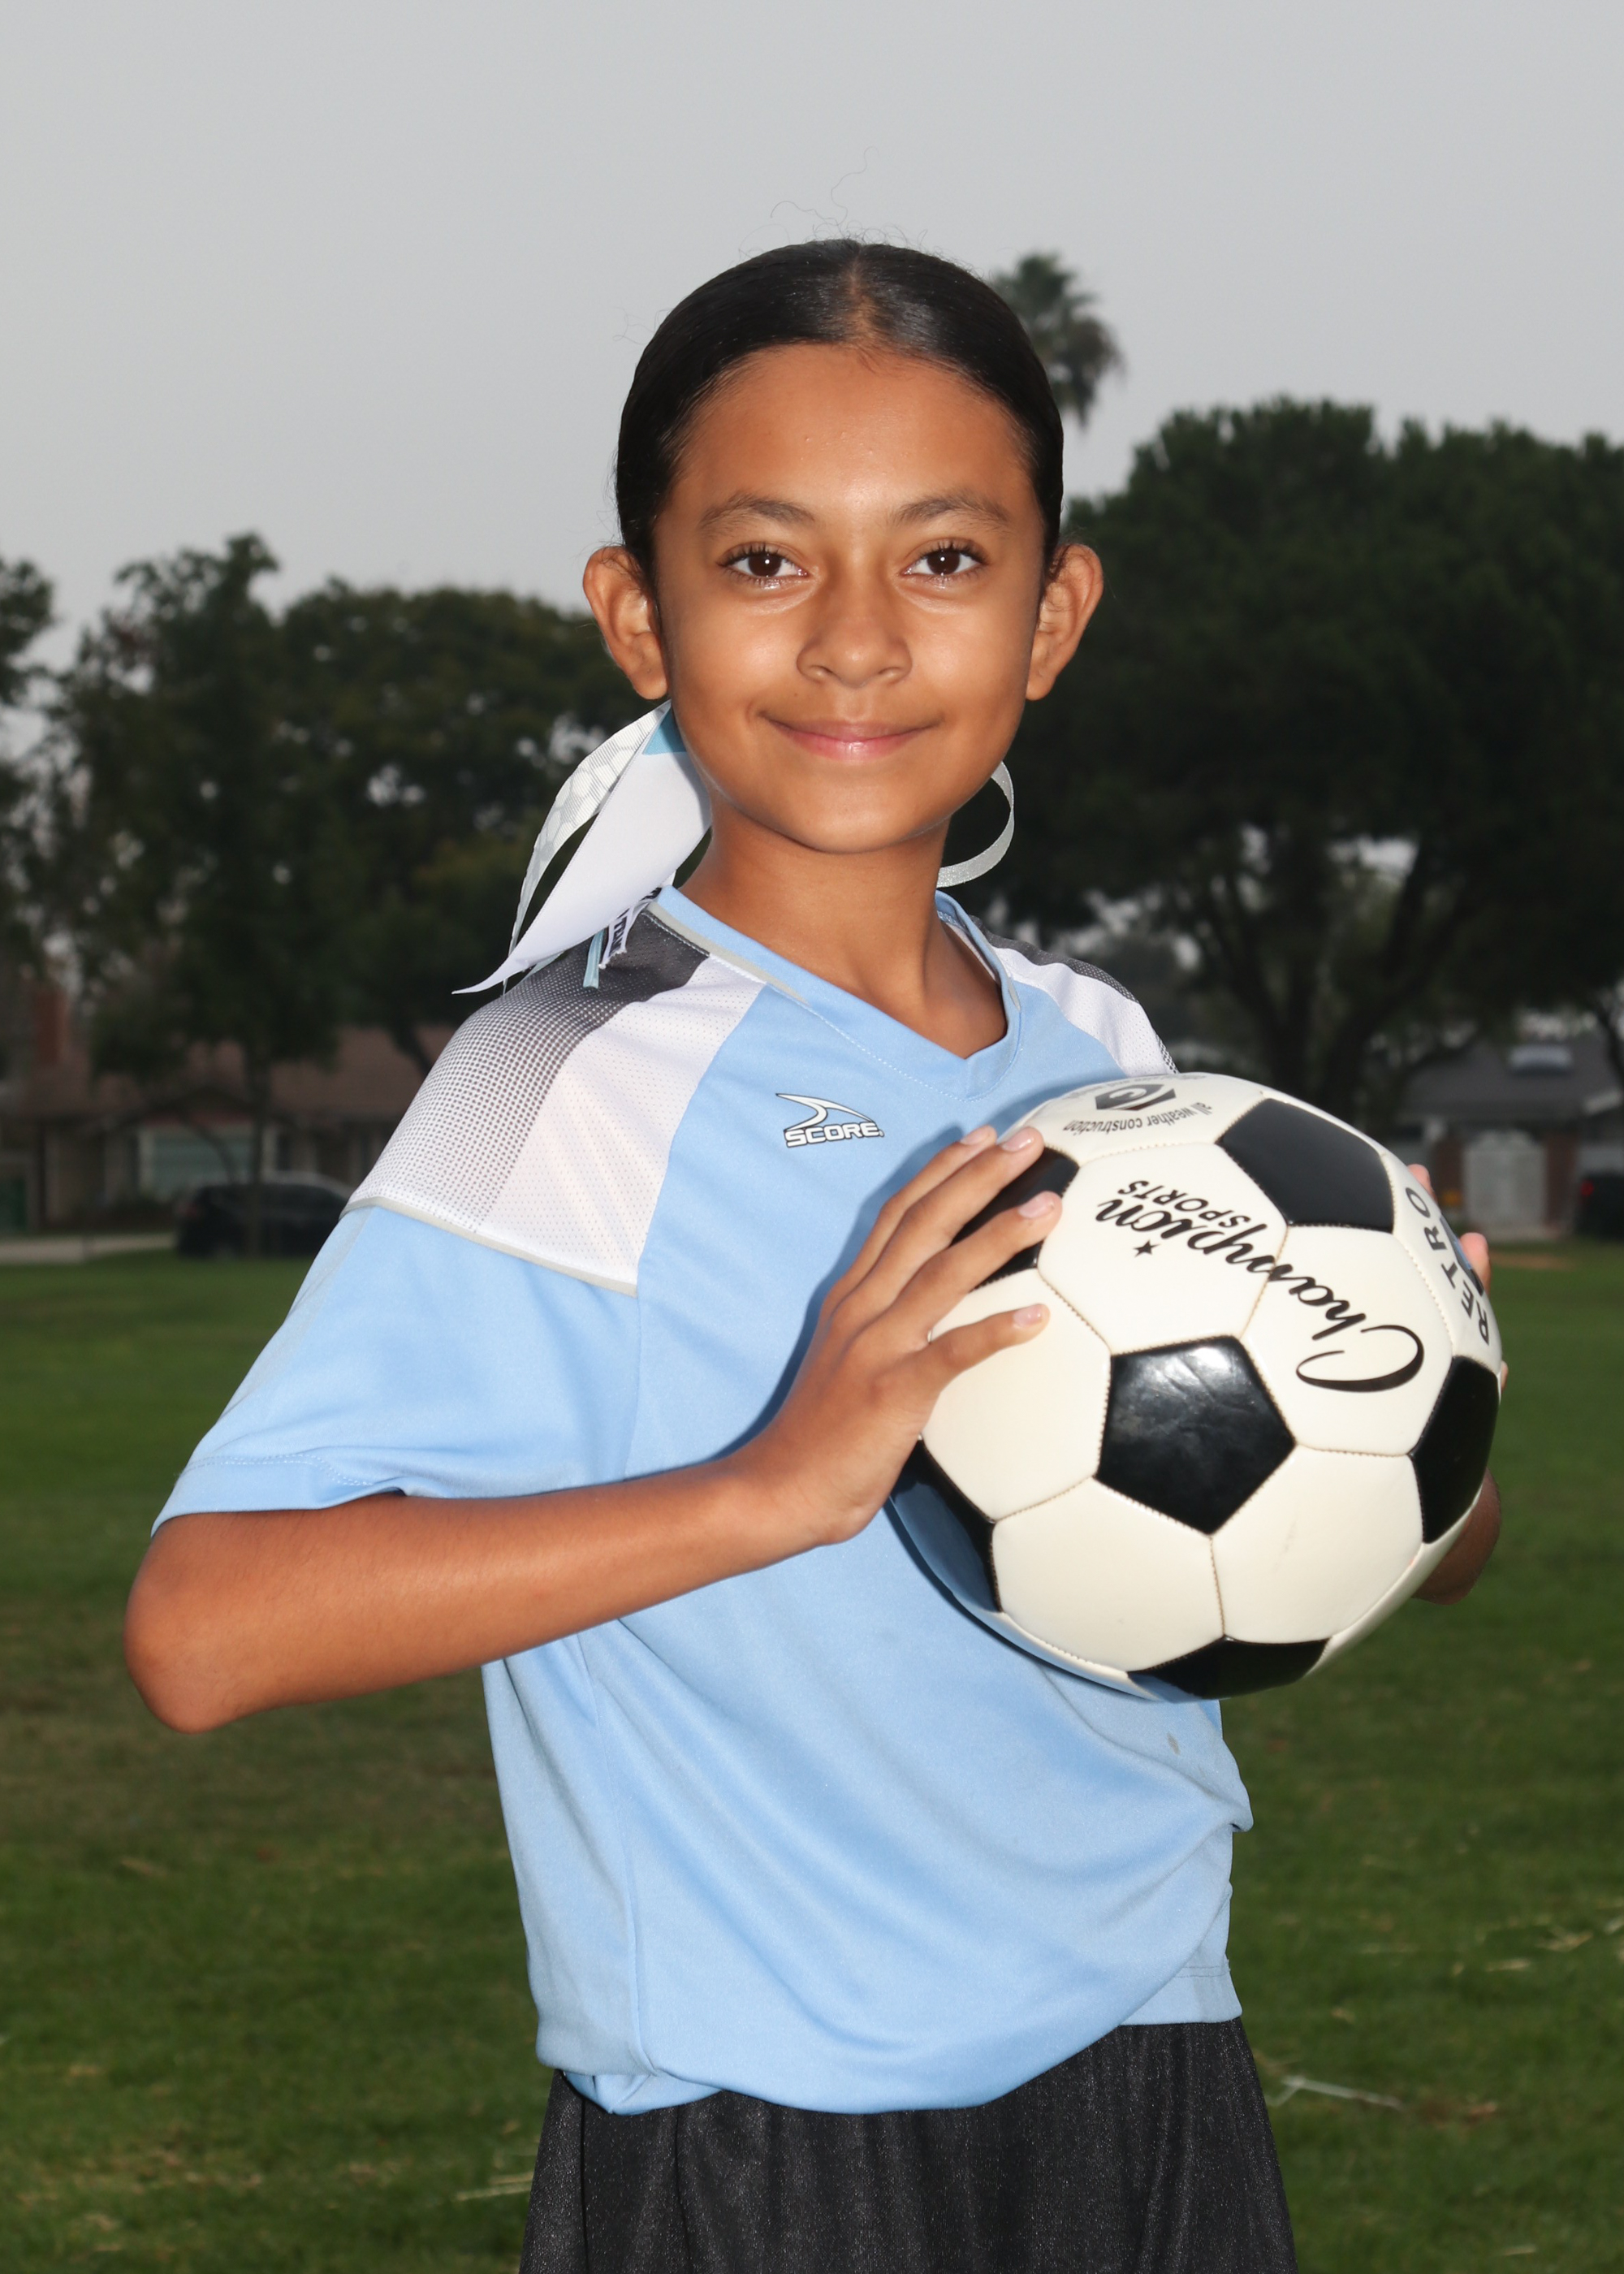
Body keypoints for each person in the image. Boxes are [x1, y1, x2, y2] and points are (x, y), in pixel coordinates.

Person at [125, 241, 1499, 2274]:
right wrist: (767, 1487)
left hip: (1154, 2074)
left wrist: (1411, 1381)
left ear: (1051, 614)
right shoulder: (551, 1075)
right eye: (765, 560)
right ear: (638, 612)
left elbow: (1380, 1547)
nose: (856, 639)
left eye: (942, 559)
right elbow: (203, 1628)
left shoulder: (1112, 1061)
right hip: (765, 2134)